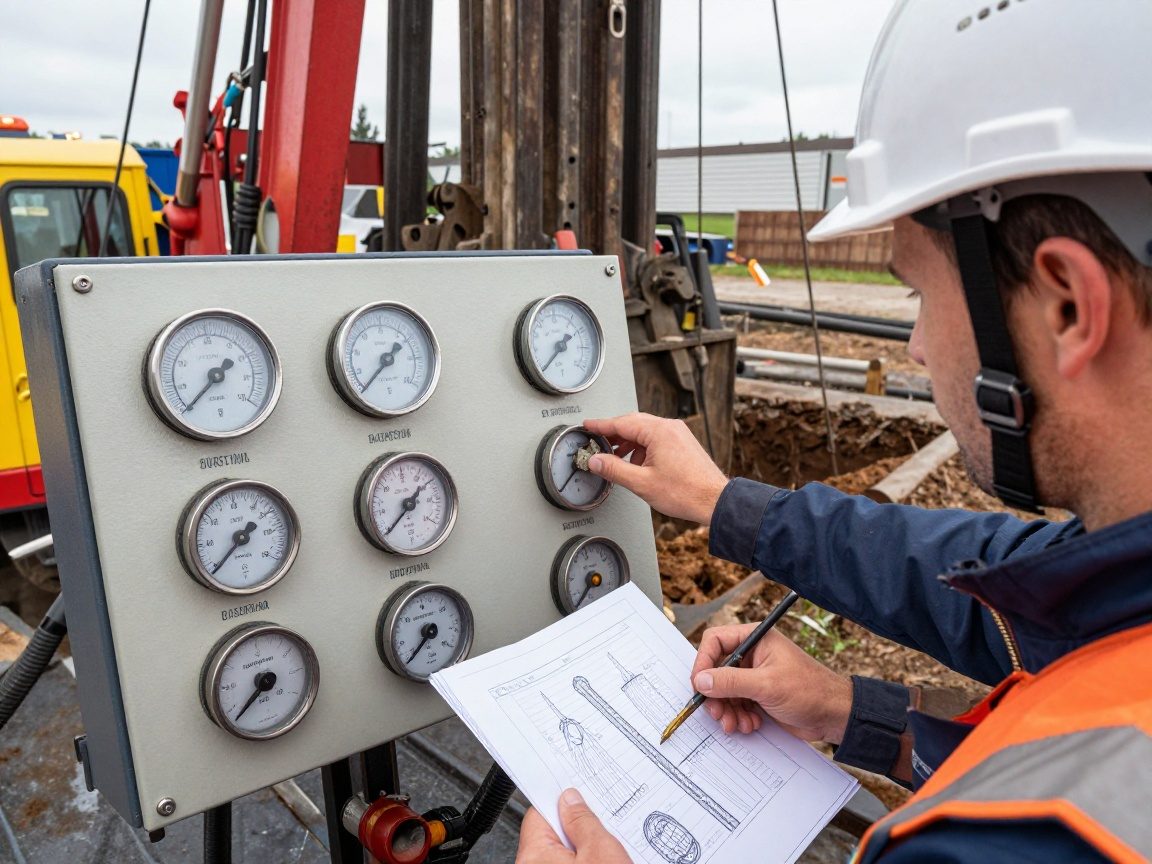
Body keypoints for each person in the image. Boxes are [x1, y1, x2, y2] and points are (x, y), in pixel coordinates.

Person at [515, 1, 1152, 861]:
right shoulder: (1121, 574)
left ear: (1068, 304)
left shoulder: (1024, 838)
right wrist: (846, 707)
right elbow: (995, 585)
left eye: (920, 294)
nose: (919, 344)